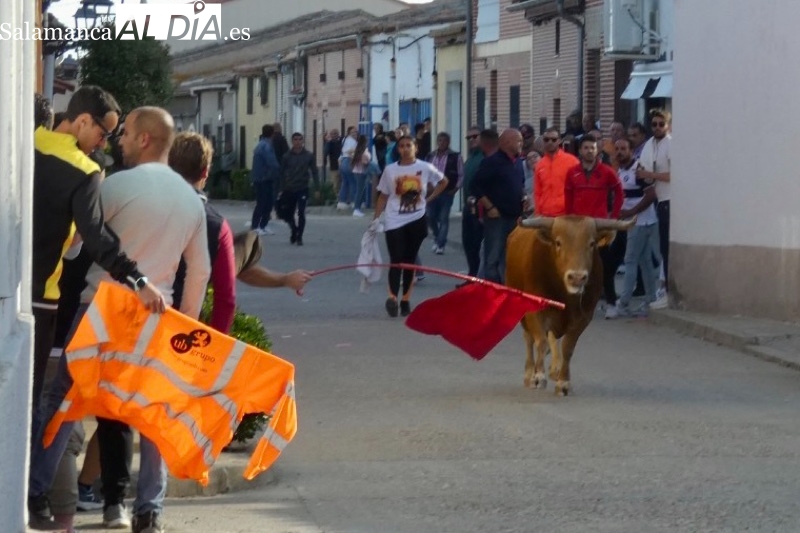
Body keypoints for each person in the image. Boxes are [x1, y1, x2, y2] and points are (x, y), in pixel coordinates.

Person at [28, 107, 210, 533]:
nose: (119, 141)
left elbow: (74, 244)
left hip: (104, 306)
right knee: (154, 416)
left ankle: (34, 491)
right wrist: (187, 324)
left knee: (65, 402)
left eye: (126, 134)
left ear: (144, 139)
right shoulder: (191, 201)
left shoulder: (115, 185)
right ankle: (149, 510)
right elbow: (199, 271)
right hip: (158, 314)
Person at [169, 132, 312, 331]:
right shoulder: (215, 224)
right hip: (180, 322)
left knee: (242, 247)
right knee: (248, 243)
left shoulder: (146, 206)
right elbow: (225, 298)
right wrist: (215, 352)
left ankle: (272, 268)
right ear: (205, 173)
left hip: (139, 310)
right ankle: (259, 257)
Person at [373, 135, 448, 317]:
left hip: (417, 218)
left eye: (409, 145)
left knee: (409, 260)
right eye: (402, 146)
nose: (405, 149)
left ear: (416, 148)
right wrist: (375, 219)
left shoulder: (424, 167)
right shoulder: (390, 170)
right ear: (397, 149)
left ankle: (405, 299)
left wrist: (429, 199)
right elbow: (383, 196)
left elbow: (444, 181)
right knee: (396, 259)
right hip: (394, 219)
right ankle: (392, 298)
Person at [564, 135, 624, 313]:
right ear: (580, 151)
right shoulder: (572, 172)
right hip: (579, 228)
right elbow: (568, 198)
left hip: (599, 228)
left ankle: (611, 302)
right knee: (578, 266)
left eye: (592, 147)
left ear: (597, 150)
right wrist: (569, 220)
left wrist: (613, 217)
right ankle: (582, 303)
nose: (589, 151)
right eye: (586, 147)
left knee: (602, 265)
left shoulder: (606, 172)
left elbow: (619, 193)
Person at [614, 137, 660, 318]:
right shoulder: (620, 171)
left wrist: (631, 212)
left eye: (623, 148)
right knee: (644, 261)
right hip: (636, 221)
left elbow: (650, 196)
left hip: (641, 221)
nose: (619, 152)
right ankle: (651, 299)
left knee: (631, 260)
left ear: (631, 150)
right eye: (617, 148)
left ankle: (624, 303)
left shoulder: (638, 169)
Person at [471, 129, 525, 284]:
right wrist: (489, 207)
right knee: (492, 258)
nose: (521, 144)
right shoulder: (492, 162)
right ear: (506, 142)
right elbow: (475, 185)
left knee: (511, 257)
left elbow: (518, 184)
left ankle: (507, 288)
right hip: (497, 218)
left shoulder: (517, 162)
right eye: (518, 141)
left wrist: (524, 198)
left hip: (514, 217)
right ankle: (492, 289)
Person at [637, 108, 671, 310]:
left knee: (666, 248)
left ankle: (666, 291)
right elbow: (644, 172)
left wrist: (651, 174)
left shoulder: (671, 144)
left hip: (669, 199)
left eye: (661, 124)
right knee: (661, 248)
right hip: (658, 200)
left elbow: (672, 175)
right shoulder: (650, 145)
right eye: (654, 124)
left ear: (667, 125)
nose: (657, 128)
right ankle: (662, 289)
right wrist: (644, 174)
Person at [278, 132, 320, 245]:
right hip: (289, 188)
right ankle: (294, 230)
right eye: (295, 139)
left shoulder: (308, 155)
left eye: (300, 139)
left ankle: (299, 236)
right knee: (288, 213)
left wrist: (317, 188)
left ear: (302, 141)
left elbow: (314, 172)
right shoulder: (286, 156)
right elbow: (281, 173)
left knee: (301, 212)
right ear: (292, 141)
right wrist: (281, 188)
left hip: (302, 187)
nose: (297, 142)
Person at [425, 132, 463, 254]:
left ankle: (441, 244)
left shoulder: (455, 156)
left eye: (444, 141)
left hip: (447, 192)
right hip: (432, 191)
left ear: (448, 142)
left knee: (443, 218)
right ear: (437, 142)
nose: (442, 143)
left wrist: (456, 189)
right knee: (430, 217)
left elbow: (461, 175)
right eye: (440, 140)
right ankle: (437, 237)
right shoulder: (431, 156)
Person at [534, 127, 579, 217]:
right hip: (545, 214)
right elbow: (537, 192)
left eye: (553, 140)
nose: (550, 142)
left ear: (559, 141)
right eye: (546, 139)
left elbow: (578, 189)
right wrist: (538, 212)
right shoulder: (540, 164)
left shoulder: (572, 161)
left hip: (566, 214)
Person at [461, 127, 485, 278]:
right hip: (467, 207)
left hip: (479, 207)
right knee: (468, 243)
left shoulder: (485, 157)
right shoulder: (470, 158)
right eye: (468, 138)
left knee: (477, 244)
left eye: (475, 136)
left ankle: (478, 277)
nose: (471, 140)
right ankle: (472, 274)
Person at [250, 124, 280, 236]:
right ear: (272, 134)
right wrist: (278, 171)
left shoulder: (260, 145)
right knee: (264, 203)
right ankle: (257, 226)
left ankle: (261, 225)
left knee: (265, 202)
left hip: (260, 177)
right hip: (265, 178)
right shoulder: (266, 146)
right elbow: (272, 162)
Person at [350, 134, 372, 217]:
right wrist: (369, 161)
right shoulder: (363, 150)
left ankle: (357, 207)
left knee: (360, 190)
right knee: (360, 191)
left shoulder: (358, 149)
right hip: (361, 172)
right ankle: (356, 208)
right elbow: (365, 162)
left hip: (356, 171)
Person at [337, 126, 358, 209]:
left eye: (356, 132)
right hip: (349, 160)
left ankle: (342, 201)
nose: (355, 133)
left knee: (345, 182)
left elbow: (343, 151)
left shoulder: (345, 140)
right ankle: (353, 201)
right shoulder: (352, 141)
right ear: (349, 133)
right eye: (353, 132)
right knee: (353, 182)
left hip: (343, 161)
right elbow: (350, 151)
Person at [323, 128, 342, 194]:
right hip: (334, 167)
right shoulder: (330, 144)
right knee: (335, 185)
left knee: (342, 184)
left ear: (338, 134)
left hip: (342, 167)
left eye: (335, 134)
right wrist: (327, 142)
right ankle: (335, 198)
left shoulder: (341, 142)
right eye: (332, 134)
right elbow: (325, 152)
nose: (334, 135)